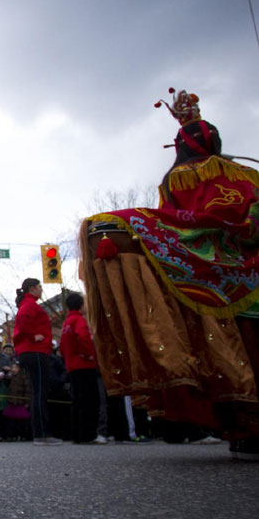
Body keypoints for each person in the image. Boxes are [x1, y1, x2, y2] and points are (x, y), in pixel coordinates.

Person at [80, 88, 259, 460]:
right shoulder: (244, 173)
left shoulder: (174, 180)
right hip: (247, 266)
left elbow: (174, 221)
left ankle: (242, 428)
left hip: (202, 273)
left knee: (224, 349)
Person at [13, 278, 62, 445]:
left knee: (37, 392)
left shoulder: (28, 304)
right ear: (32, 288)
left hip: (32, 351)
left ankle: (40, 433)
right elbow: (21, 324)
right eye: (40, 287)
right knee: (40, 392)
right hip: (35, 351)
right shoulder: (29, 305)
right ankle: (42, 434)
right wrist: (33, 336)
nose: (41, 290)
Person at [59, 292, 105, 444]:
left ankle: (78, 434)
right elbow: (84, 338)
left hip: (72, 365)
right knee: (91, 400)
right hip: (84, 364)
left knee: (77, 401)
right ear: (80, 305)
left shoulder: (66, 323)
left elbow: (62, 345)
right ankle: (89, 434)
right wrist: (89, 355)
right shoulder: (79, 321)